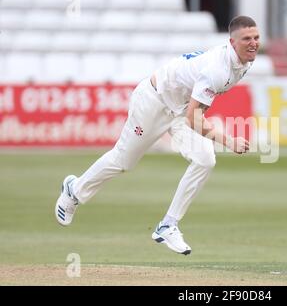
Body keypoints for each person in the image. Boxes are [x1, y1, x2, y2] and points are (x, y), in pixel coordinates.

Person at [55, 16, 260, 255]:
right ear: (232, 42)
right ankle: (74, 189)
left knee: (205, 159)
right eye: (247, 39)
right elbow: (194, 118)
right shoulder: (218, 69)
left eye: (256, 37)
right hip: (154, 102)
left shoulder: (245, 62)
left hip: (180, 108)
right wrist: (228, 140)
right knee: (123, 162)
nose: (254, 43)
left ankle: (168, 225)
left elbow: (192, 113)